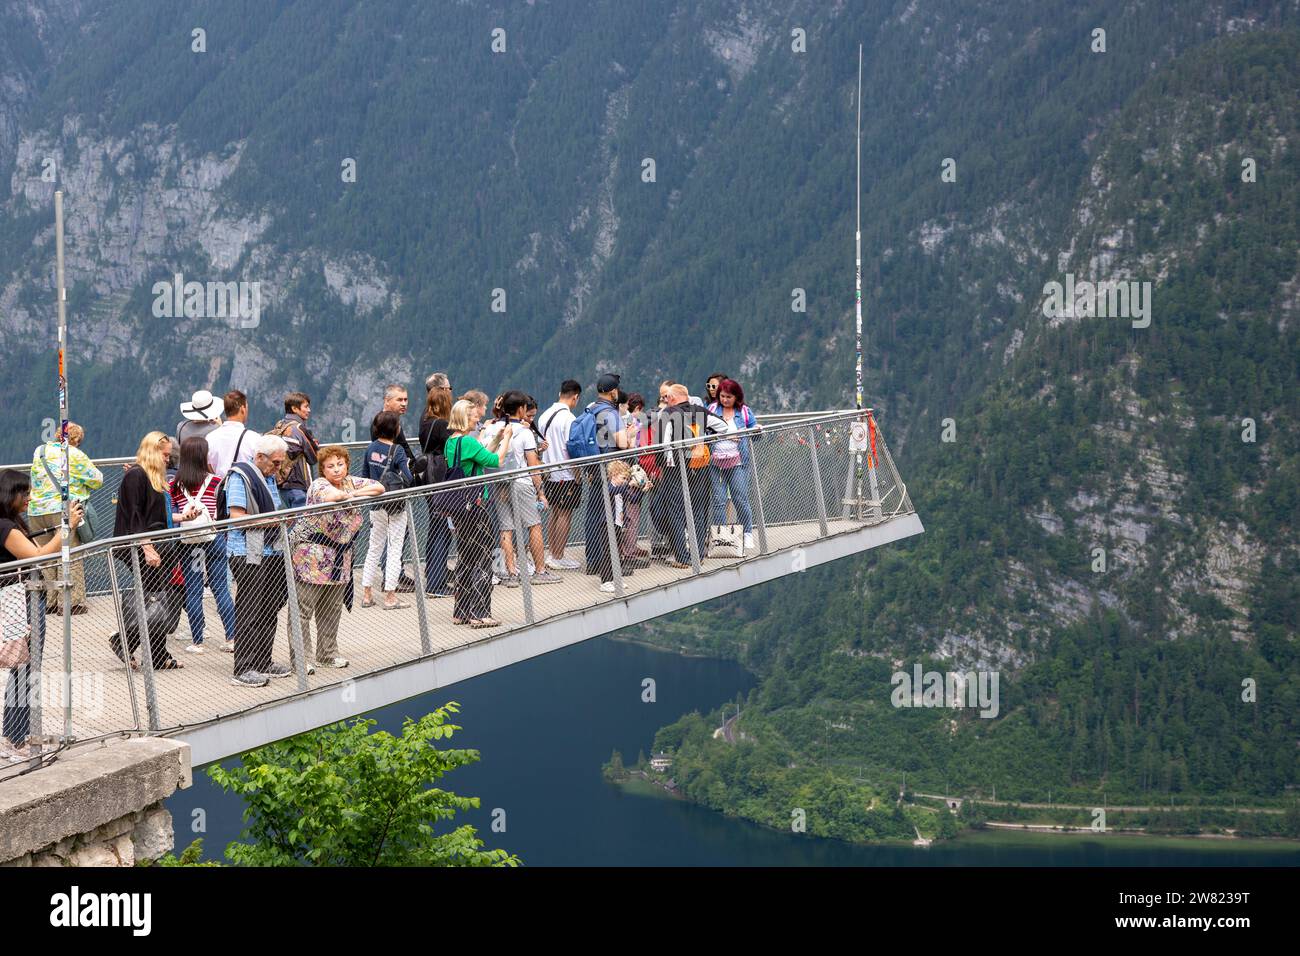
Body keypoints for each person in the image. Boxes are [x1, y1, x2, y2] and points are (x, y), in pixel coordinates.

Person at [0, 469, 83, 761]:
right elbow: (39, 556)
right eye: (25, 493)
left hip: (19, 600)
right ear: (11, 494)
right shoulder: (5, 527)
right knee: (26, 670)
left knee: (23, 670)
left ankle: (14, 735)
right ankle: (17, 738)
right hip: (20, 603)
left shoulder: (11, 524)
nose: (29, 498)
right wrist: (67, 529)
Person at [289, 445, 383, 672]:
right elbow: (334, 496)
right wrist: (349, 495)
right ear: (322, 469)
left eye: (340, 464)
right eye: (330, 466)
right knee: (303, 609)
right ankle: (302, 660)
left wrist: (353, 493)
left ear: (347, 465)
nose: (337, 470)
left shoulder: (351, 482)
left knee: (331, 608)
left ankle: (327, 653)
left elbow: (379, 487)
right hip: (312, 553)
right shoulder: (319, 485)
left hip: (340, 556)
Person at [112, 432, 196, 673]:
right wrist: (147, 548)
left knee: (159, 598)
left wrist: (183, 517)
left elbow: (157, 516)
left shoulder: (153, 477)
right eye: (164, 454)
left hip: (158, 544)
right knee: (154, 598)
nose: (168, 459)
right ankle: (127, 641)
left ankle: (157, 654)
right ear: (152, 450)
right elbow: (135, 517)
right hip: (143, 547)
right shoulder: (136, 475)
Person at [221, 434, 292, 687]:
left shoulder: (268, 476)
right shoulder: (240, 477)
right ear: (259, 457)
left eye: (280, 462)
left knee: (269, 606)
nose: (278, 467)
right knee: (250, 608)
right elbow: (237, 517)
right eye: (275, 462)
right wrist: (276, 521)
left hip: (271, 550)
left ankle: (263, 661)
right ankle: (243, 667)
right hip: (247, 552)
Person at [170, 436, 237, 654]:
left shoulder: (174, 485)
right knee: (220, 588)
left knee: (193, 590)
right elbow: (223, 511)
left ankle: (197, 640)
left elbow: (173, 514)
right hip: (214, 538)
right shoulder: (217, 481)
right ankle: (231, 637)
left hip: (189, 543)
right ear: (204, 455)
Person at [27, 422, 102, 613]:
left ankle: (49, 602)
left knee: (45, 556)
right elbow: (97, 479)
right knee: (69, 553)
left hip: (36, 510)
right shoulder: (74, 454)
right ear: (76, 440)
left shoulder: (40, 450)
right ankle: (71, 603)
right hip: (63, 509)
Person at [444, 399, 504, 628]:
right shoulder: (468, 441)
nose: (478, 418)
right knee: (484, 556)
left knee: (466, 557)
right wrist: (506, 439)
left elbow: (480, 456)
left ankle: (461, 611)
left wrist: (496, 438)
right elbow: (495, 461)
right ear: (465, 418)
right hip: (477, 505)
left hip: (460, 506)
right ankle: (480, 612)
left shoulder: (452, 442)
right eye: (474, 416)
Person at [493, 392, 560, 587]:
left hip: (499, 482)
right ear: (521, 409)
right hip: (521, 482)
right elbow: (533, 466)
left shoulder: (494, 428)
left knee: (506, 527)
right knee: (534, 525)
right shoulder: (525, 433)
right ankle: (540, 570)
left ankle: (512, 573)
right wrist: (540, 492)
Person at [582, 373, 637, 593]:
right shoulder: (611, 413)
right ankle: (608, 576)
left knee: (597, 518)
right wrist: (631, 433)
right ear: (613, 391)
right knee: (612, 525)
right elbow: (622, 444)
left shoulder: (592, 409)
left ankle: (597, 563)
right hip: (612, 470)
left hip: (595, 470)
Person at [361, 411, 414, 610]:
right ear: (396, 429)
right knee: (394, 548)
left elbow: (365, 477)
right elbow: (408, 477)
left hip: (375, 504)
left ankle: (367, 594)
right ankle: (390, 596)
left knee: (374, 547)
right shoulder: (398, 450)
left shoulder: (370, 448)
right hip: (394, 506)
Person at [708, 378, 760, 551]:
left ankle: (747, 533)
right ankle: (721, 537)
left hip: (738, 461)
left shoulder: (744, 412)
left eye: (728, 397)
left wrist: (756, 429)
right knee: (719, 500)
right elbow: (705, 432)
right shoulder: (713, 409)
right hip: (715, 461)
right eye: (722, 396)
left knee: (740, 498)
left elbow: (755, 434)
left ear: (736, 397)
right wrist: (726, 436)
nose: (724, 400)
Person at [538, 380, 583, 569]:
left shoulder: (544, 416)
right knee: (565, 514)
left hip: (549, 472)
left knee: (554, 513)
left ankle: (551, 554)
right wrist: (578, 473)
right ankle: (559, 556)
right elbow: (571, 448)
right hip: (566, 473)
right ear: (575, 397)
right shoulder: (569, 419)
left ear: (560, 393)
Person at [419, 381, 454, 598]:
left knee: (436, 526)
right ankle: (436, 583)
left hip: (429, 475)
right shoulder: (442, 424)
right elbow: (452, 448)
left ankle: (432, 573)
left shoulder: (426, 420)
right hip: (441, 474)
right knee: (443, 527)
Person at [271, 391, 319, 509]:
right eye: (306, 406)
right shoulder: (298, 429)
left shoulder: (280, 425)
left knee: (293, 519)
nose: (309, 410)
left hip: (282, 483)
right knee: (302, 523)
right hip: (299, 484)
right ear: (294, 408)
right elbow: (314, 457)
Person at [206, 390, 261, 478]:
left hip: (218, 488)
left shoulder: (210, 437)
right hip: (243, 489)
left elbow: (208, 465)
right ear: (243, 409)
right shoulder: (254, 438)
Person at [371, 384, 414, 460]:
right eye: (399, 400)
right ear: (387, 401)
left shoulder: (393, 421)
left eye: (405, 399)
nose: (404, 404)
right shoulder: (381, 424)